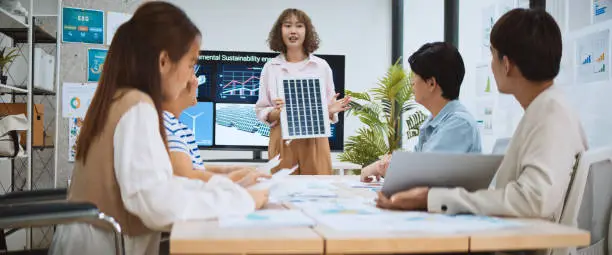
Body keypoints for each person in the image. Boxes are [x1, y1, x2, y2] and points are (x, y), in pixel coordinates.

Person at [49, 2, 268, 255]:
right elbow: (154, 202)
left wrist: (224, 190)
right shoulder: (137, 107)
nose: (191, 77)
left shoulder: (117, 98)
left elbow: (161, 184)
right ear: (164, 61)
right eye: (190, 64)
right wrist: (240, 201)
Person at [376, 8, 588, 222]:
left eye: (492, 54)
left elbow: (533, 199)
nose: (491, 65)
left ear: (506, 64)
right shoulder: (545, 108)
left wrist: (430, 198)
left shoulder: (550, 115)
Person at [361, 42, 481, 182]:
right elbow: (416, 168)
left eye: (414, 76)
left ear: (431, 83)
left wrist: (379, 167)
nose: (411, 82)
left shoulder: (458, 124)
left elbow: (421, 175)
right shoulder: (436, 121)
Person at [255, 8, 351, 175]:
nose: (293, 31)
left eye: (299, 26)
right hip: (282, 139)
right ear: (280, 31)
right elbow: (262, 109)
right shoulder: (270, 68)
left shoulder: (321, 67)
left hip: (315, 139)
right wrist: (277, 112)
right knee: (281, 194)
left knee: (319, 192)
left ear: (307, 31)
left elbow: (328, 109)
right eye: (287, 25)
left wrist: (329, 110)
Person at [162, 73, 270, 185]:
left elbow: (195, 170)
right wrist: (231, 180)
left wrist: (226, 170)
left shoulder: (177, 127)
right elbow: (186, 178)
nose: (197, 81)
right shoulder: (168, 127)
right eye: (190, 68)